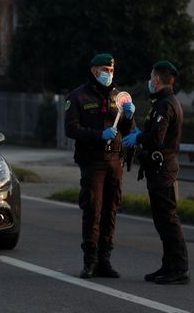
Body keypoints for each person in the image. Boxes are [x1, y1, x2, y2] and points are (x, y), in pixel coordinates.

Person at [65, 53, 135, 279]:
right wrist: (98, 135)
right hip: (93, 160)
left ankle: (105, 260)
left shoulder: (118, 97)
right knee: (93, 210)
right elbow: (71, 129)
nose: (109, 73)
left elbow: (127, 128)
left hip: (115, 160)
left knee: (111, 210)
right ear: (94, 70)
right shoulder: (78, 96)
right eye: (105, 69)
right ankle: (90, 262)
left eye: (112, 70)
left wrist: (130, 118)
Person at [124, 60, 189, 284]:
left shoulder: (165, 104)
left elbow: (157, 139)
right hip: (158, 168)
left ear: (157, 80)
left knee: (168, 219)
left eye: (151, 77)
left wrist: (139, 137)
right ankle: (168, 265)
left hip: (163, 168)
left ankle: (179, 269)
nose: (149, 81)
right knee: (162, 220)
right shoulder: (163, 102)